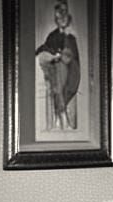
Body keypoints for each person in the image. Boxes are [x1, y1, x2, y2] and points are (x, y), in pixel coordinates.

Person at [36, 2, 81, 131]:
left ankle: (63, 117)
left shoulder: (71, 38)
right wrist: (54, 56)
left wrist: (65, 56)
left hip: (71, 70)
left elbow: (73, 57)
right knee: (58, 84)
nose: (62, 20)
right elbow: (44, 49)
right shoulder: (52, 36)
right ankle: (61, 117)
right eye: (59, 17)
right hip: (55, 69)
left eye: (64, 17)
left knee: (65, 83)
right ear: (56, 19)